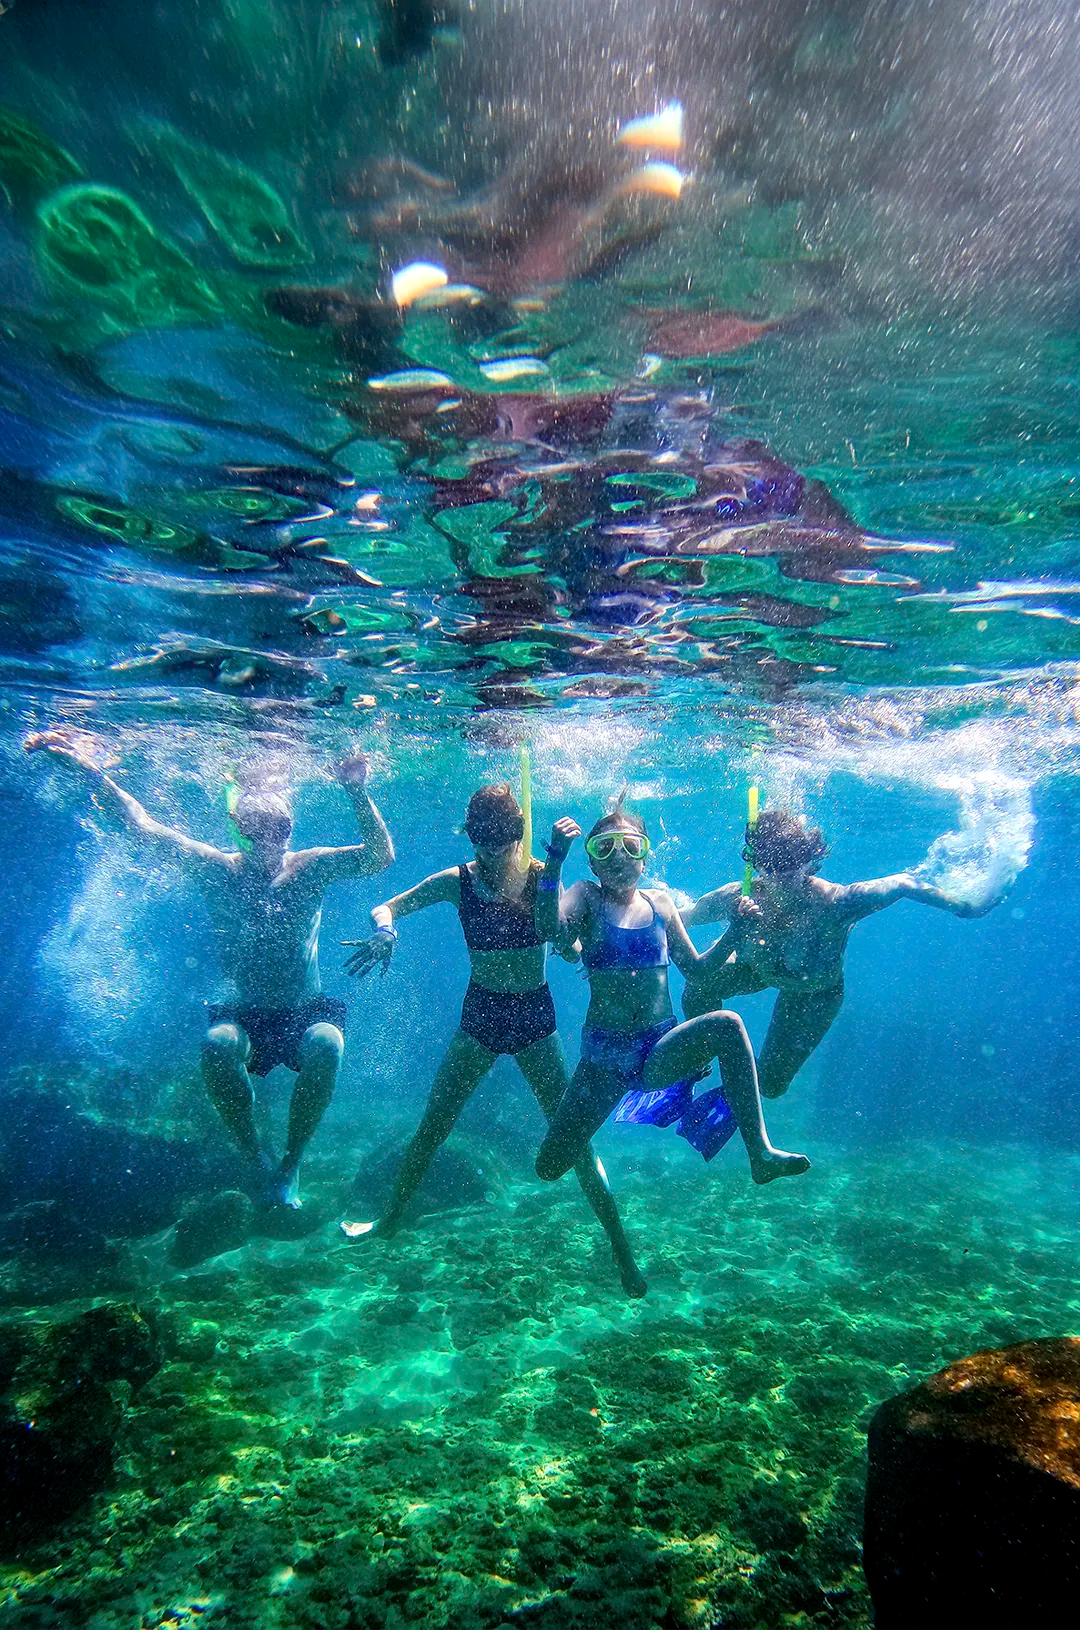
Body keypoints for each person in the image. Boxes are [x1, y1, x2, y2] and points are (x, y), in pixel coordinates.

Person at [24, 729, 394, 1206]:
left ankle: (291, 1162)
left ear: (289, 828)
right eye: (258, 830)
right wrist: (92, 772)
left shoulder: (311, 866)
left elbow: (381, 857)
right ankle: (255, 1157)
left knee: (327, 1045)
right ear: (239, 826)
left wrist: (357, 790)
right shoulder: (217, 868)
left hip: (302, 1007)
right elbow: (141, 827)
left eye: (278, 830)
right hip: (242, 1011)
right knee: (216, 1048)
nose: (270, 841)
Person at [339, 783, 647, 1297]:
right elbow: (387, 906)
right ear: (470, 835)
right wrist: (385, 931)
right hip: (480, 1015)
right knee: (433, 1127)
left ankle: (621, 1250)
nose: (490, 848)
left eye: (501, 837)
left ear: (517, 833)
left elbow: (566, 938)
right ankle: (390, 1220)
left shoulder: (544, 877)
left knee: (574, 1139)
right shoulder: (457, 882)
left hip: (533, 1017)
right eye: (480, 837)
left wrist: (578, 948)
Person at [533, 804, 810, 1187]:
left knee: (729, 1025)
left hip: (658, 1049)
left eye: (631, 846)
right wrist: (555, 860)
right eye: (604, 848)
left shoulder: (660, 903)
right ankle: (658, 1104)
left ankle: (760, 1153)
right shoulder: (585, 896)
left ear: (645, 859)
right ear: (592, 863)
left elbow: (696, 971)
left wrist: (735, 931)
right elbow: (547, 927)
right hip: (603, 1059)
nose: (619, 857)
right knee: (548, 1167)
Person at [681, 807, 995, 1100]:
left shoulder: (836, 903)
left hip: (814, 992)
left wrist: (963, 906)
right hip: (754, 971)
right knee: (697, 988)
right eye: (772, 862)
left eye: (791, 860)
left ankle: (742, 1077)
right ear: (757, 863)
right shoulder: (739, 897)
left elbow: (903, 884)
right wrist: (637, 908)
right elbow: (685, 915)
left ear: (808, 859)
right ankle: (706, 1057)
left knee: (771, 1085)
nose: (781, 873)